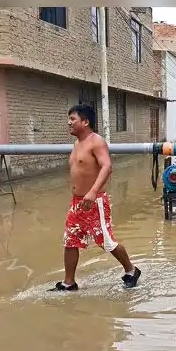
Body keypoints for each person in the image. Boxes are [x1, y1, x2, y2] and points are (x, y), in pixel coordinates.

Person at [56, 104, 141, 291]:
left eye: (73, 119)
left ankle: (131, 270)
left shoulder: (97, 142)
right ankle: (68, 282)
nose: (68, 123)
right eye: (68, 119)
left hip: (95, 202)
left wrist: (93, 191)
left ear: (85, 122)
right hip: (77, 203)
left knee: (107, 242)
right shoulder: (77, 144)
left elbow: (107, 166)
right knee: (70, 241)